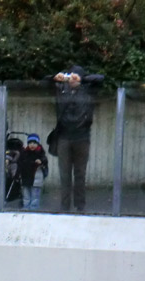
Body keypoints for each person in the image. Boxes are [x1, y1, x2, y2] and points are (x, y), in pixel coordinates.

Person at [49, 65, 104, 212]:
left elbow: (101, 79)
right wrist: (57, 76)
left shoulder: (88, 90)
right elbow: (44, 81)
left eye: (75, 77)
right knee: (64, 174)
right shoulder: (61, 89)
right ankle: (64, 206)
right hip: (64, 137)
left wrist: (82, 78)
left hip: (82, 137)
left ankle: (80, 206)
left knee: (80, 174)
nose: (72, 80)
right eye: (70, 76)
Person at [18, 133, 48, 210]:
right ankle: (26, 206)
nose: (32, 145)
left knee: (35, 195)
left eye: (34, 143)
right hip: (26, 177)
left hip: (36, 178)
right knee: (26, 194)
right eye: (30, 143)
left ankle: (34, 208)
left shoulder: (41, 153)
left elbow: (45, 160)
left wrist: (41, 161)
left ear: (38, 144)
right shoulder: (24, 152)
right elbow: (20, 162)